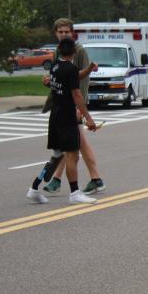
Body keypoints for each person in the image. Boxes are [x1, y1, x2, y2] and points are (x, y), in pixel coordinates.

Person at [37, 18, 105, 195]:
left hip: (73, 105)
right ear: (55, 33)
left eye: (67, 32)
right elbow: (60, 77)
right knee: (72, 143)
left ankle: (91, 179)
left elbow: (82, 79)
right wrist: (49, 81)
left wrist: (79, 108)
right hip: (61, 105)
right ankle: (87, 179)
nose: (64, 34)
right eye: (60, 32)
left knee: (76, 142)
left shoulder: (79, 51)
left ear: (72, 33)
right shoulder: (57, 51)